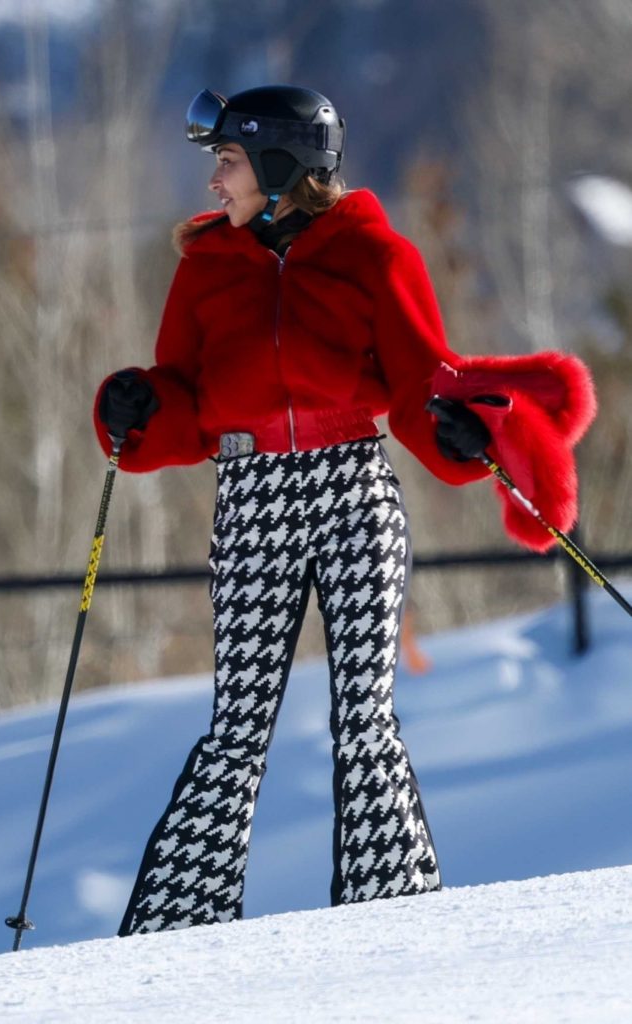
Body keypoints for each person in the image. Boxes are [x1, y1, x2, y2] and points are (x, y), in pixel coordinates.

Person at [94, 85, 596, 935]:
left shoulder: (374, 254)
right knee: (238, 720)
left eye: (226, 162)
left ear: (280, 164)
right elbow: (185, 398)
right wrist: (136, 406)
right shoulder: (205, 264)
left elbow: (418, 384)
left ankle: (387, 909)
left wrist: (455, 430)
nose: (214, 181)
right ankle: (180, 921)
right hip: (254, 495)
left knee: (363, 709)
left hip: (354, 486)